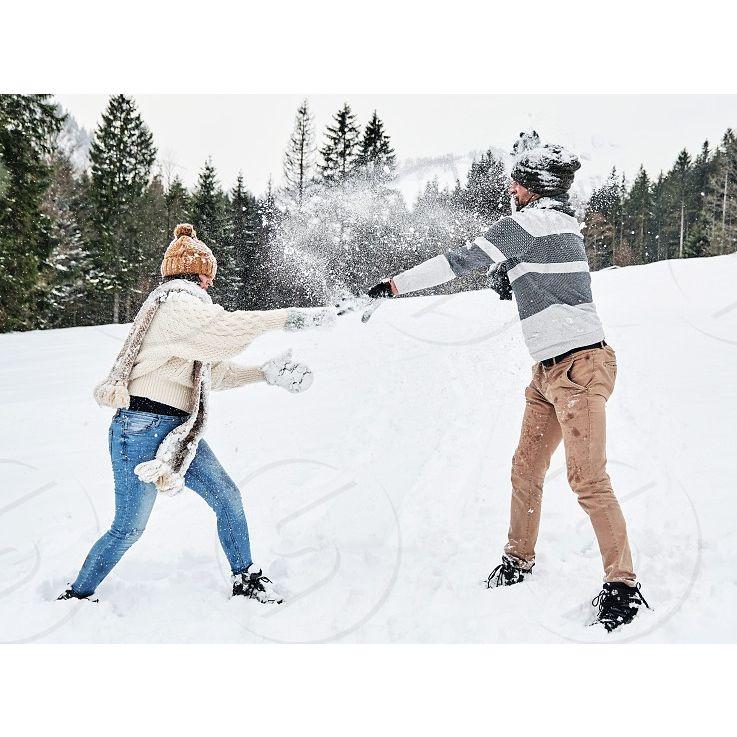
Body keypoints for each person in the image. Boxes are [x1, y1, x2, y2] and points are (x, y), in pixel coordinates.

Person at [361, 132, 649, 632]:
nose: (510, 190)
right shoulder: (553, 222)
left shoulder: (532, 222)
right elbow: (530, 273)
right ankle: (519, 558)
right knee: (525, 466)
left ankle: (623, 584)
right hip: (548, 370)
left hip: (579, 370)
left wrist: (394, 285)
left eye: (517, 183)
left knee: (587, 479)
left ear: (534, 187)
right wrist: (512, 272)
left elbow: (460, 261)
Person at [58, 224, 332, 605]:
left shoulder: (187, 319)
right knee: (129, 528)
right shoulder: (176, 303)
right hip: (138, 428)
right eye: (209, 278)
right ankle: (78, 594)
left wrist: (263, 374)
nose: (210, 285)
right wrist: (287, 318)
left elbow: (213, 373)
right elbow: (225, 328)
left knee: (227, 497)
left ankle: (245, 579)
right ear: (200, 274)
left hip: (177, 432)